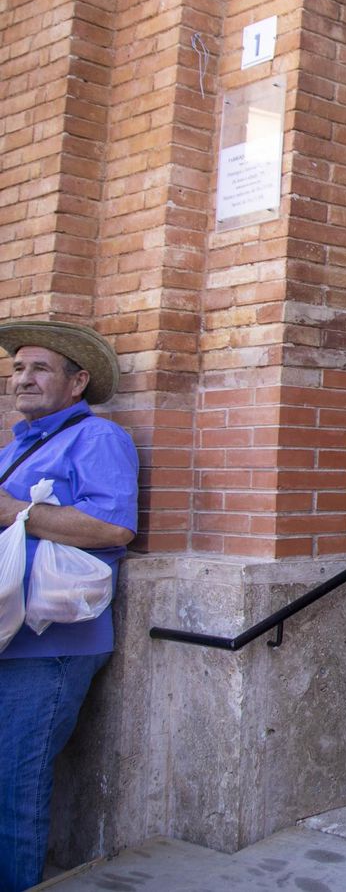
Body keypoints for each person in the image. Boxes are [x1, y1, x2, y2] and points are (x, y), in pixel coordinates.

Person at [0, 322, 136, 892]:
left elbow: (113, 527)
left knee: (14, 785)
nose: (21, 379)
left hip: (53, 644)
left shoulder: (98, 438)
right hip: (10, 632)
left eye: (39, 369)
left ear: (77, 382)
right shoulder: (15, 445)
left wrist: (14, 512)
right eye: (16, 369)